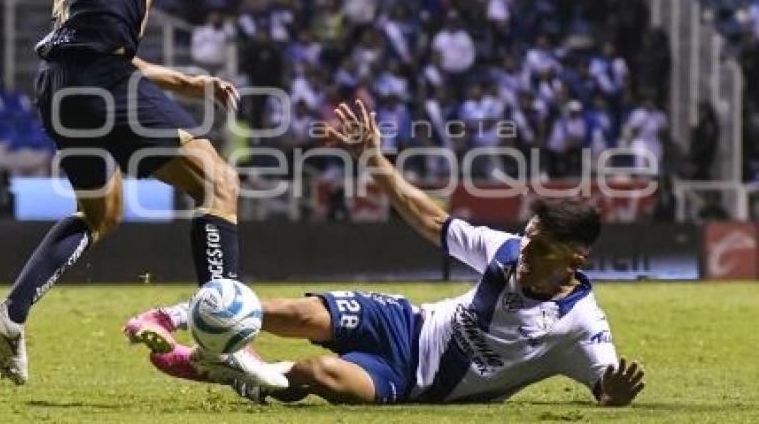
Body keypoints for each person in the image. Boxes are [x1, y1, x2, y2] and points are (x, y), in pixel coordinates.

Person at [127, 100, 645, 407]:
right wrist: (374, 160)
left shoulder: (580, 323)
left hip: (413, 382)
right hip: (405, 323)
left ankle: (233, 371)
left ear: (574, 259)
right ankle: (175, 315)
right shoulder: (505, 252)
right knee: (300, 313)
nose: (526, 250)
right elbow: (430, 219)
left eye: (542, 247)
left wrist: (613, 394)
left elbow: (604, 385)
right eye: (529, 236)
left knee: (315, 374)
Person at [0, 0, 286, 392]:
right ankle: (224, 342)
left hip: (61, 83)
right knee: (218, 180)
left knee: (103, 215)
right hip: (98, 77)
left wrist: (187, 82)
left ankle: (11, 314)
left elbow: (113, 45)